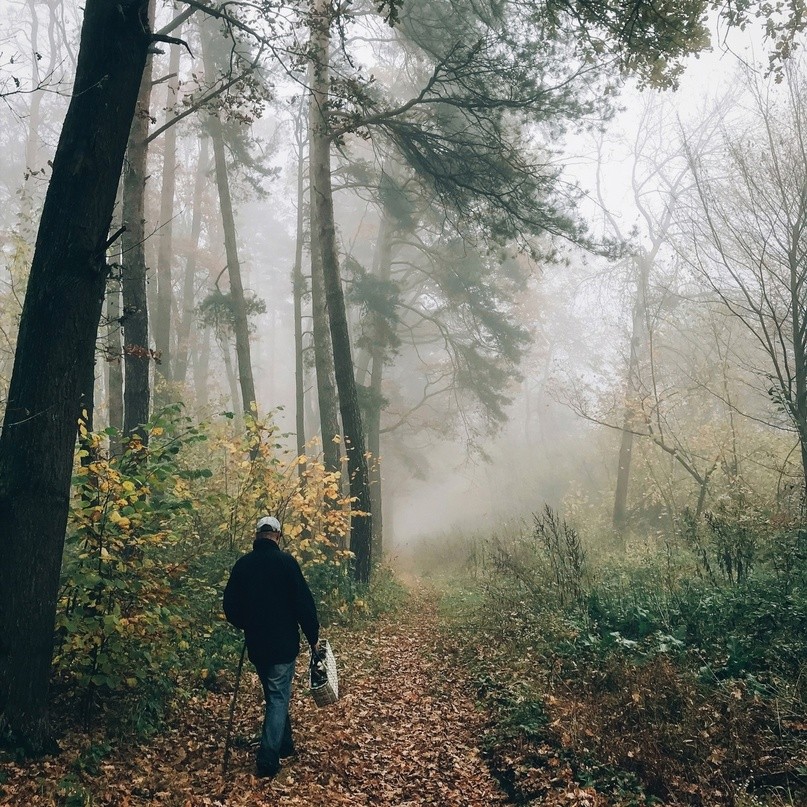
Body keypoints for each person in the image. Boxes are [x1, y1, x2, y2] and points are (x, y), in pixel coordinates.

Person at [223, 515, 320, 778]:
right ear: (277, 535)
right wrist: (313, 637)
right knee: (278, 697)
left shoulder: (243, 565)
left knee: (274, 694)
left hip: (257, 644)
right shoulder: (286, 563)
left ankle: (284, 743)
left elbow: (230, 607)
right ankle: (268, 759)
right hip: (283, 644)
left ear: (257, 536)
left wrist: (246, 623)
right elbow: (303, 603)